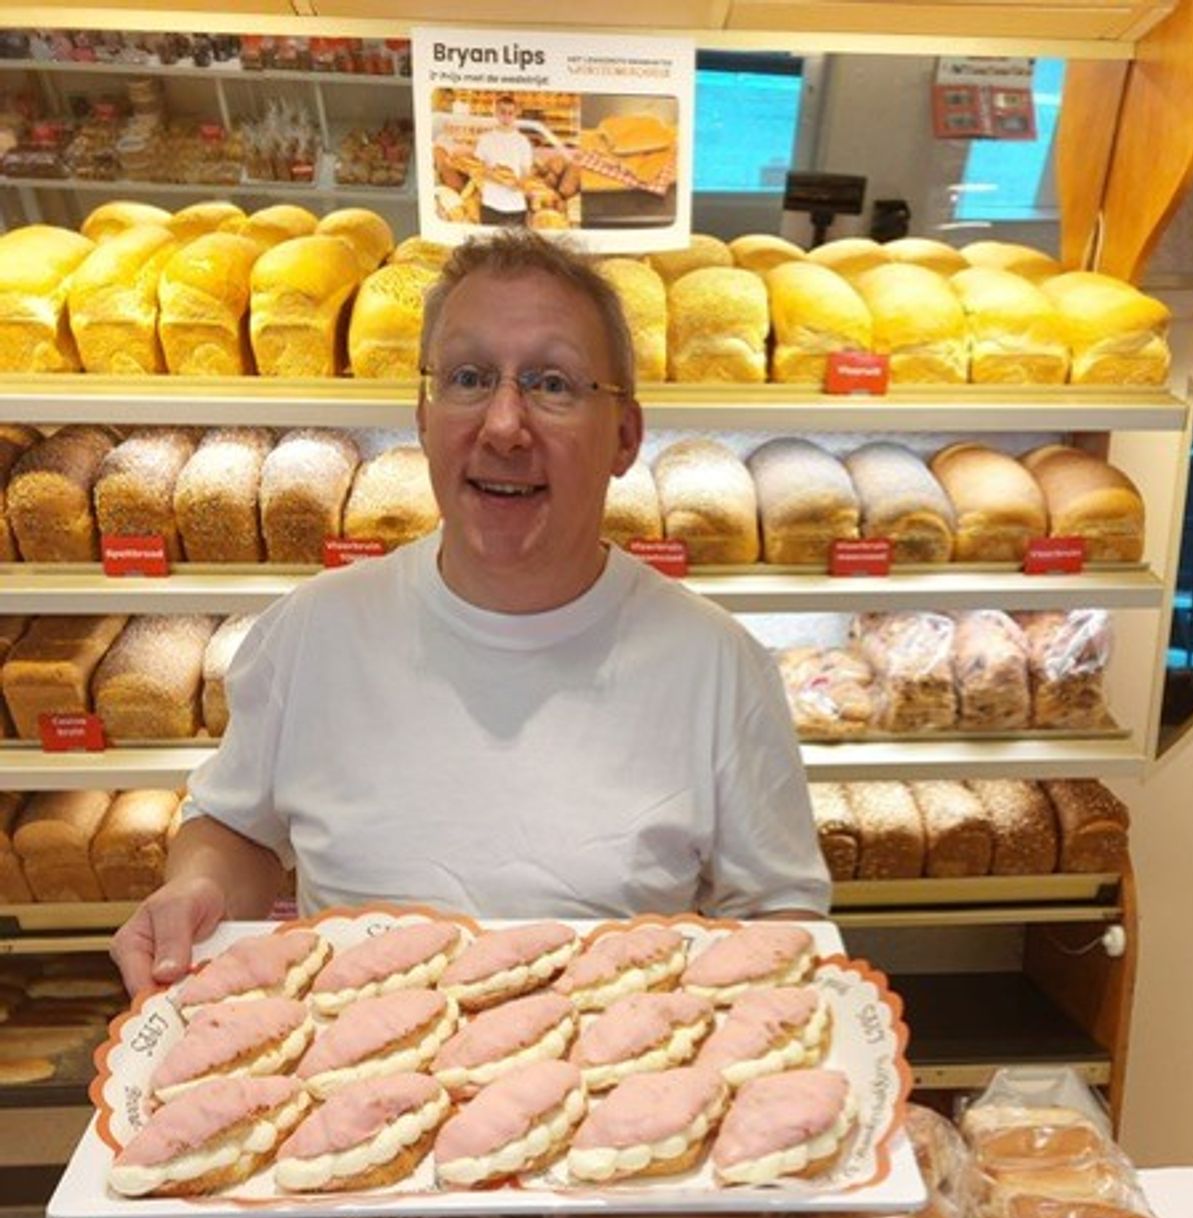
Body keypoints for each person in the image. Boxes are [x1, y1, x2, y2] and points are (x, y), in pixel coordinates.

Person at [110, 232, 830, 996]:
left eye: (553, 383)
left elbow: (779, 916)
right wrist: (200, 888)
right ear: (424, 416)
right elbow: (234, 829)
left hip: (612, 1065)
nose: (503, 425)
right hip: (362, 1058)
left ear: (624, 437)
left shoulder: (718, 666)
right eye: (468, 378)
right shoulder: (312, 635)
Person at [474, 95, 534, 228]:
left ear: (515, 114)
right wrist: (497, 178)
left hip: (516, 206)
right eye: (502, 112)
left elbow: (526, 172)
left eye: (510, 113)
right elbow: (478, 169)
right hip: (490, 204)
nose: (506, 117)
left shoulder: (522, 141)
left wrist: (519, 184)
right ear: (496, 113)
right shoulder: (485, 139)